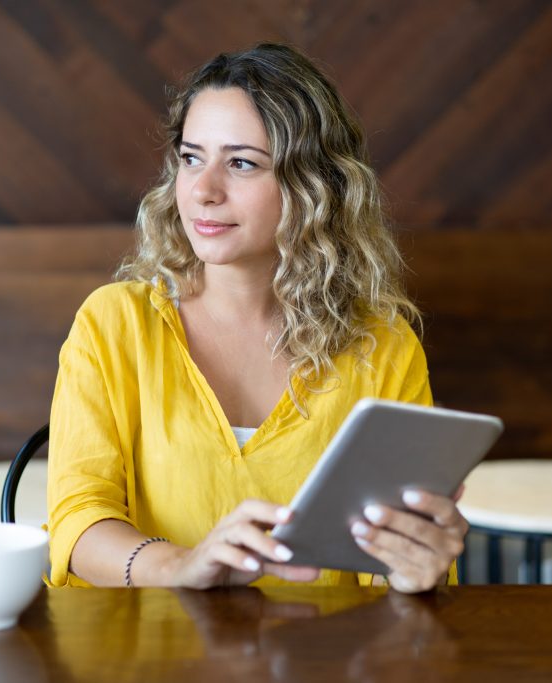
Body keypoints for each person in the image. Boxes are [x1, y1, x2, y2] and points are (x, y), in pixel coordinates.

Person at [45, 43, 468, 592]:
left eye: (241, 163)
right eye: (191, 157)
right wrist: (183, 567)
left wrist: (418, 571)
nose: (203, 190)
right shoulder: (114, 325)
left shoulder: (382, 346)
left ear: (313, 186)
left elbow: (392, 579)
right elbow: (77, 523)